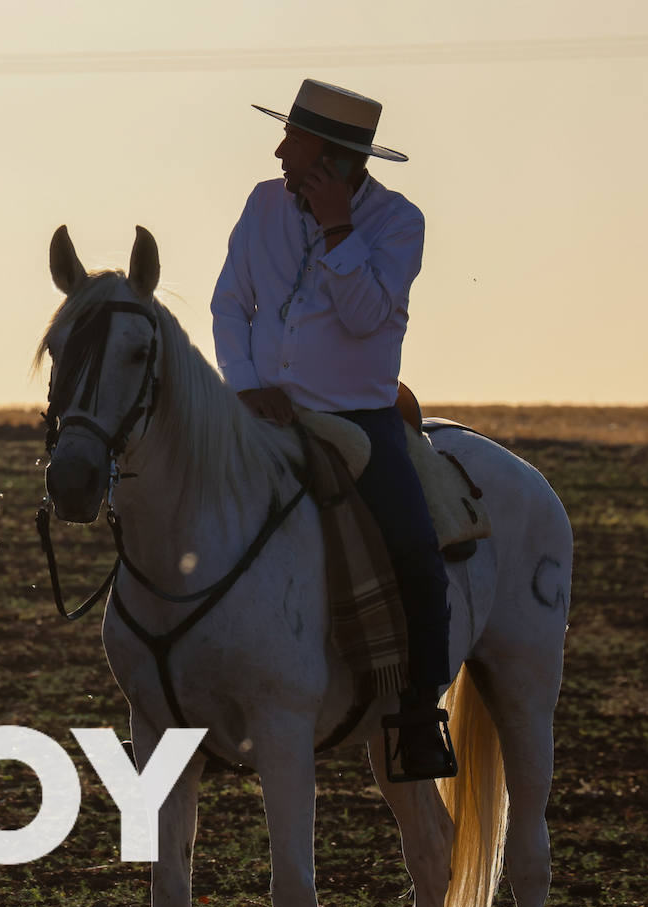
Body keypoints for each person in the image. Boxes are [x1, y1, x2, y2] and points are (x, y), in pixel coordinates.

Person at [209, 79, 455, 780]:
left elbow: (367, 317)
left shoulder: (399, 223)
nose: (280, 149)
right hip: (258, 412)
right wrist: (244, 383)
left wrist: (339, 227)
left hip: (356, 420)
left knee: (415, 552)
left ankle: (416, 712)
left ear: (336, 160)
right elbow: (231, 301)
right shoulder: (261, 204)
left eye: (296, 140)